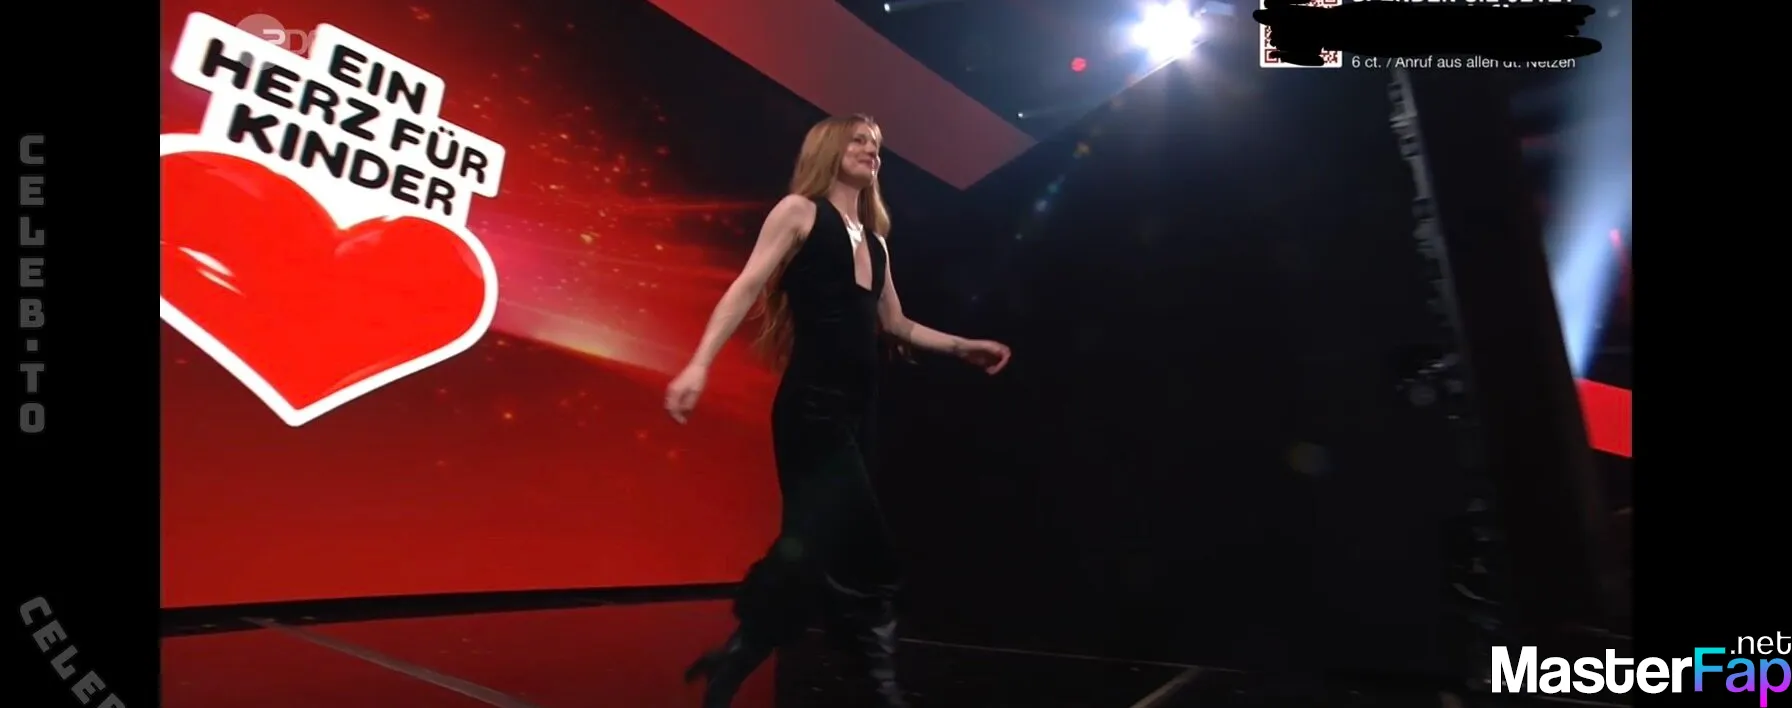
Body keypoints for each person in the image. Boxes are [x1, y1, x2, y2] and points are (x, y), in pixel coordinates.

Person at [664, 114, 1012, 707]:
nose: (871, 151)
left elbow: (896, 323)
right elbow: (746, 285)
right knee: (869, 549)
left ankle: (733, 658)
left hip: (858, 411)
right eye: (859, 140)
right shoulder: (799, 212)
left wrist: (962, 347)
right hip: (812, 406)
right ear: (830, 147)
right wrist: (699, 363)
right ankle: (881, 687)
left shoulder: (876, 241)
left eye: (877, 145)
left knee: (808, 547)